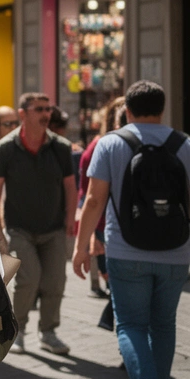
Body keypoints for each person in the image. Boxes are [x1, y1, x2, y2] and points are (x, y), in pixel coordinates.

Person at [73, 81, 189, 379]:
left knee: (131, 326)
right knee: (164, 326)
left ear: (127, 110)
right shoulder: (184, 145)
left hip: (125, 252)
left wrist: (82, 248)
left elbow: (94, 200)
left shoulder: (110, 143)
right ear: (163, 109)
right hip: (175, 252)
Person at [0, 92, 77, 355]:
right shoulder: (6, 147)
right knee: (28, 278)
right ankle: (18, 330)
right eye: (39, 109)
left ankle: (48, 332)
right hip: (19, 228)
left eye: (47, 109)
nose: (45, 114)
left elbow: (71, 188)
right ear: (22, 114)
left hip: (54, 229)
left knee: (55, 282)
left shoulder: (60, 147)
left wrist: (70, 219)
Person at [78, 97, 125, 299]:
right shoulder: (100, 147)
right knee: (120, 289)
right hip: (105, 227)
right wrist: (89, 238)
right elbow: (88, 196)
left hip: (123, 227)